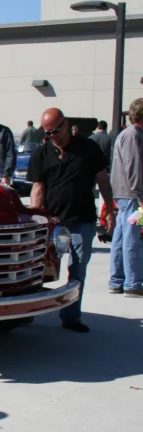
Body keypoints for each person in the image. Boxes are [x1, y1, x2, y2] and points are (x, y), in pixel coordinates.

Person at [27, 107, 115, 333]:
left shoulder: (88, 148)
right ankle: (28, 311)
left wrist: (109, 210)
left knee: (77, 268)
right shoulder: (41, 154)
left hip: (81, 219)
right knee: (37, 267)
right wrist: (37, 219)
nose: (52, 136)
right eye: (47, 133)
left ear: (65, 124)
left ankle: (71, 316)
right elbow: (38, 188)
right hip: (53, 222)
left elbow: (103, 181)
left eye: (55, 131)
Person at [108, 99, 143, 298]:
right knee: (132, 238)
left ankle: (118, 280)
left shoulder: (128, 134)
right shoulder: (134, 135)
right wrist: (141, 196)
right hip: (131, 195)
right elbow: (134, 168)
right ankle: (133, 283)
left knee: (122, 236)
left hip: (126, 194)